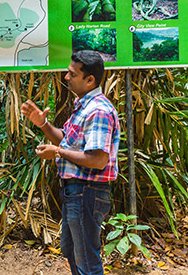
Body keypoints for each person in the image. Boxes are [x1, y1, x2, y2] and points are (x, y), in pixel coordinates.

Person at [20, 50, 120, 275]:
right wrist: (43, 123)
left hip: (87, 191)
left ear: (90, 79)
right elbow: (67, 141)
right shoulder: (83, 106)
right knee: (71, 248)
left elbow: (98, 160)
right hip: (76, 191)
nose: (66, 77)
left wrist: (57, 152)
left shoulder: (98, 111)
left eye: (71, 74)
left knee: (86, 258)